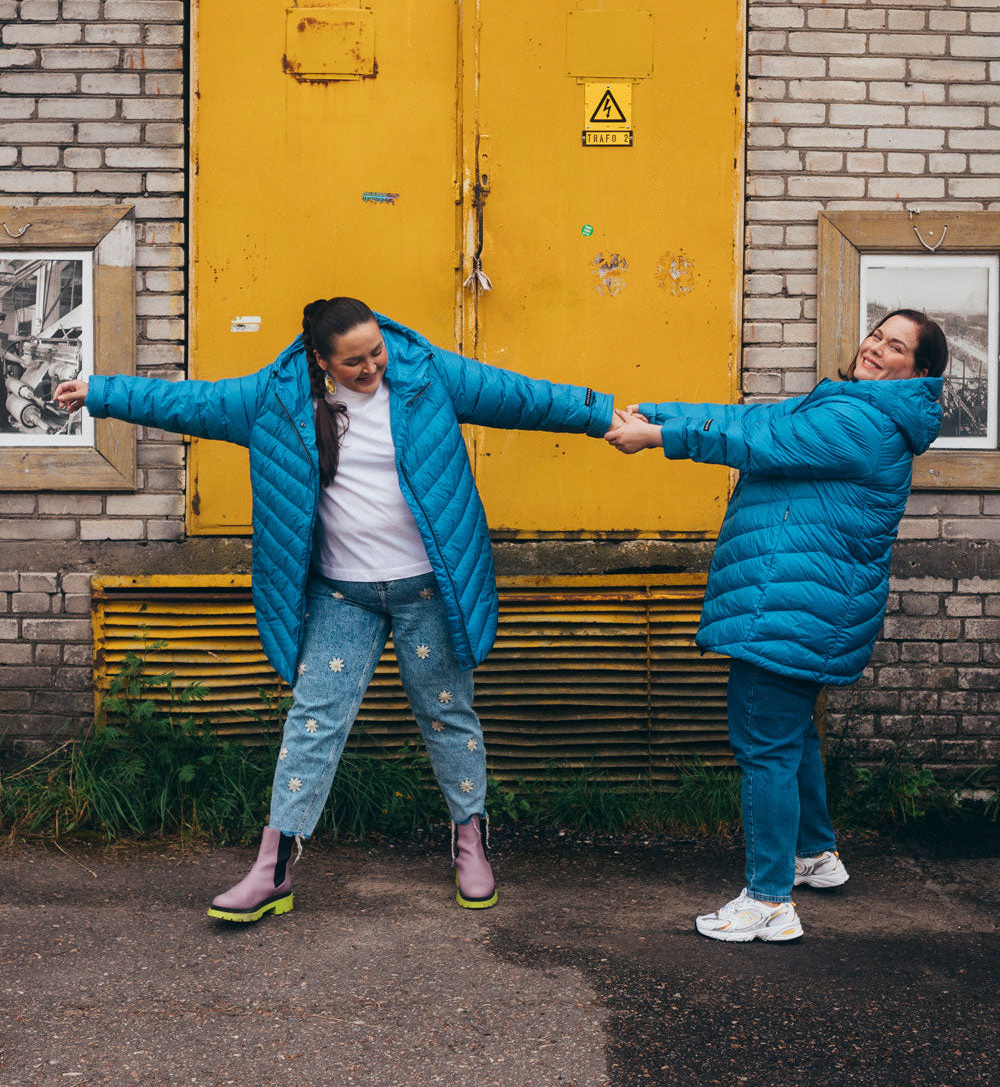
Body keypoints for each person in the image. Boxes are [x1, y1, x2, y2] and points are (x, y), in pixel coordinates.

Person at [56, 297, 614, 922]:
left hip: (428, 588)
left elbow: (522, 397)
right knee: (313, 721)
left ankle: (470, 841)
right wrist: (99, 391)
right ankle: (273, 871)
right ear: (321, 361)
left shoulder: (427, 374)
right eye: (354, 363)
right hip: (341, 593)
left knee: (448, 714)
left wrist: (605, 416)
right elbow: (192, 403)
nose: (373, 368)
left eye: (377, 352)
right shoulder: (276, 399)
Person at [604, 309, 948, 942]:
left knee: (764, 745)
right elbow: (756, 419)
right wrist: (657, 412)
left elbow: (759, 443)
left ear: (917, 372)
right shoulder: (854, 408)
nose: (875, 347)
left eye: (894, 346)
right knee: (793, 738)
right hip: (801, 603)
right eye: (876, 334)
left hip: (790, 607)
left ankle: (768, 901)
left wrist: (660, 439)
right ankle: (815, 854)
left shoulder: (862, 422)